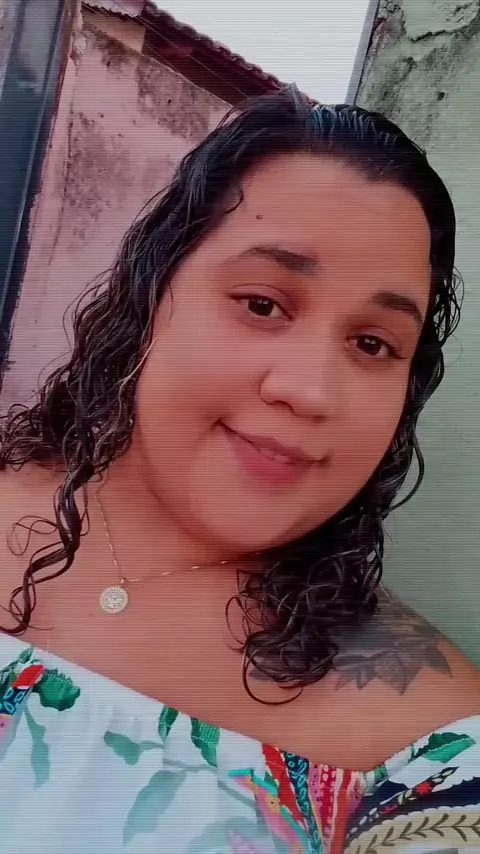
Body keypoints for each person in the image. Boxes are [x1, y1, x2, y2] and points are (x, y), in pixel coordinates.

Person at [0, 86, 478, 854]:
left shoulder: (426, 748)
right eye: (262, 304)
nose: (310, 390)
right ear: (150, 296)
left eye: (372, 344)